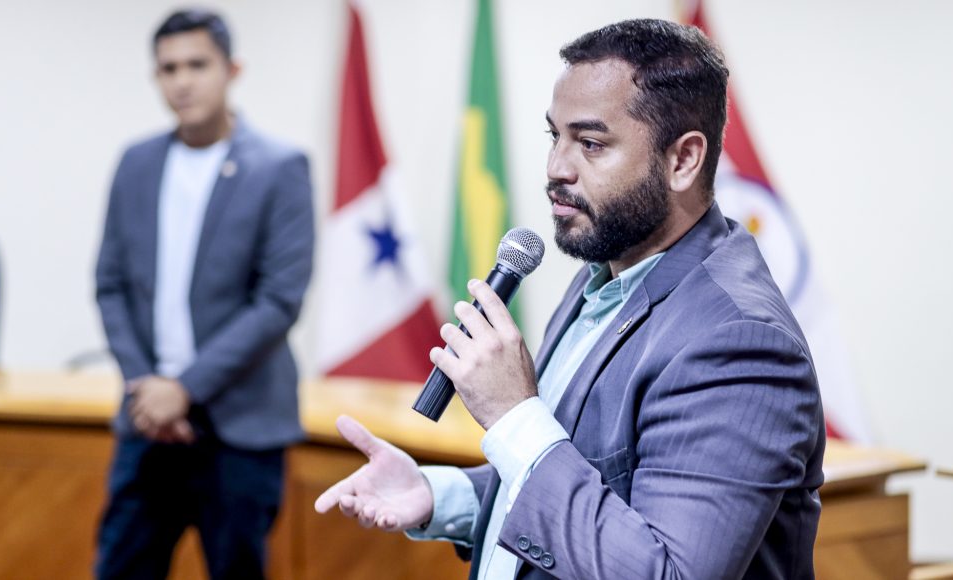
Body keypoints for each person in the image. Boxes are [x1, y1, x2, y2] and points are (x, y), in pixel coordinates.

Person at [315, 18, 824, 579]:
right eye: (553, 136)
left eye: (590, 143)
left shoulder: (740, 341)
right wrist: (441, 494)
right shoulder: (605, 270)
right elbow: (589, 470)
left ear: (683, 160)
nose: (557, 169)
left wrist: (512, 414)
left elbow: (666, 572)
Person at [94, 9, 314, 579]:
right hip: (147, 424)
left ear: (231, 69)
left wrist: (184, 390)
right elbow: (111, 285)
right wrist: (150, 389)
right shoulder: (136, 163)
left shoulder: (279, 167)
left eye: (197, 64)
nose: (182, 80)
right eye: (168, 68)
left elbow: (278, 301)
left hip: (239, 428)